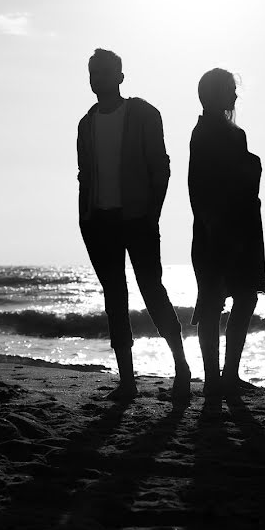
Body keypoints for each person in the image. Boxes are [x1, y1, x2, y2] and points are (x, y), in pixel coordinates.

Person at [76, 48, 191, 402]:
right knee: (115, 298)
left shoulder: (142, 113)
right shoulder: (86, 122)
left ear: (120, 76)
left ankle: (182, 368)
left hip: (138, 218)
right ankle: (127, 382)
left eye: (105, 72)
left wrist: (152, 212)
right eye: (93, 72)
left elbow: (162, 166)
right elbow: (84, 175)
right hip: (100, 222)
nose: (98, 78)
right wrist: (85, 218)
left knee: (152, 290)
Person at [188, 68, 265, 400]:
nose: (236, 96)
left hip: (238, 226)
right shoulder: (207, 133)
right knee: (213, 303)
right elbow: (199, 186)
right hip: (219, 227)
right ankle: (216, 379)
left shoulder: (231, 134)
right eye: (231, 90)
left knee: (239, 298)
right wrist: (212, 225)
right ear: (216, 94)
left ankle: (225, 376)